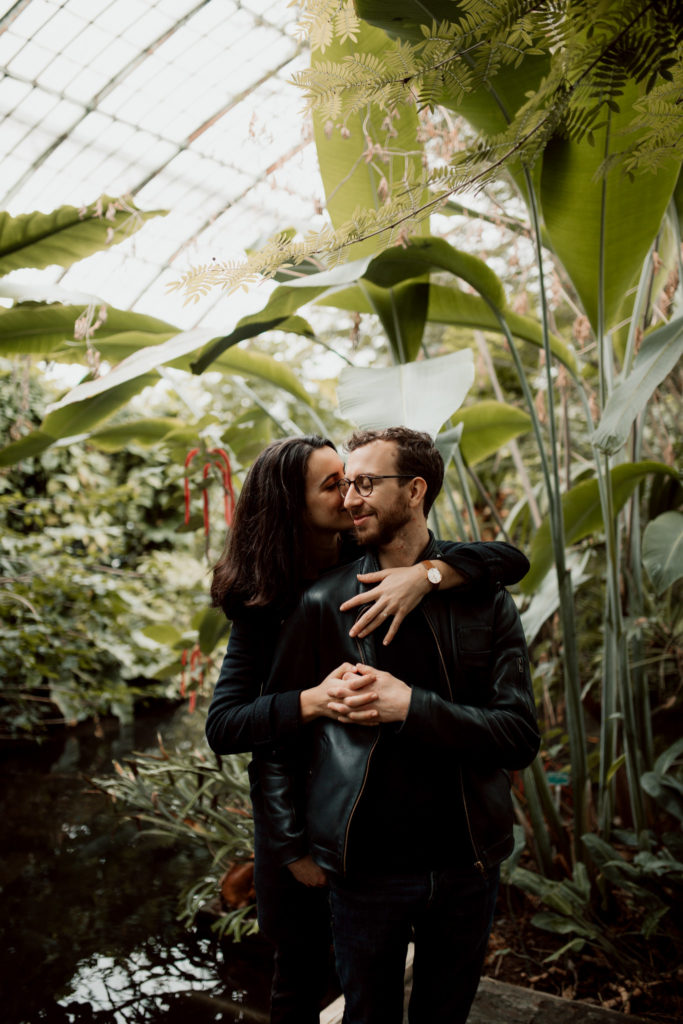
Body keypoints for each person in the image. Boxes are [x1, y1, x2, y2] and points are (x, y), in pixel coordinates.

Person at [205, 434, 530, 1024]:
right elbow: (234, 727)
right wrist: (313, 704)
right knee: (301, 982)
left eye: (358, 481)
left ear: (412, 490)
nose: (352, 496)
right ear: (293, 506)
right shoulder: (284, 599)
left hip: (443, 850)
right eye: (337, 485)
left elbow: (509, 560)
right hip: (320, 832)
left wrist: (428, 575)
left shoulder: (449, 584)